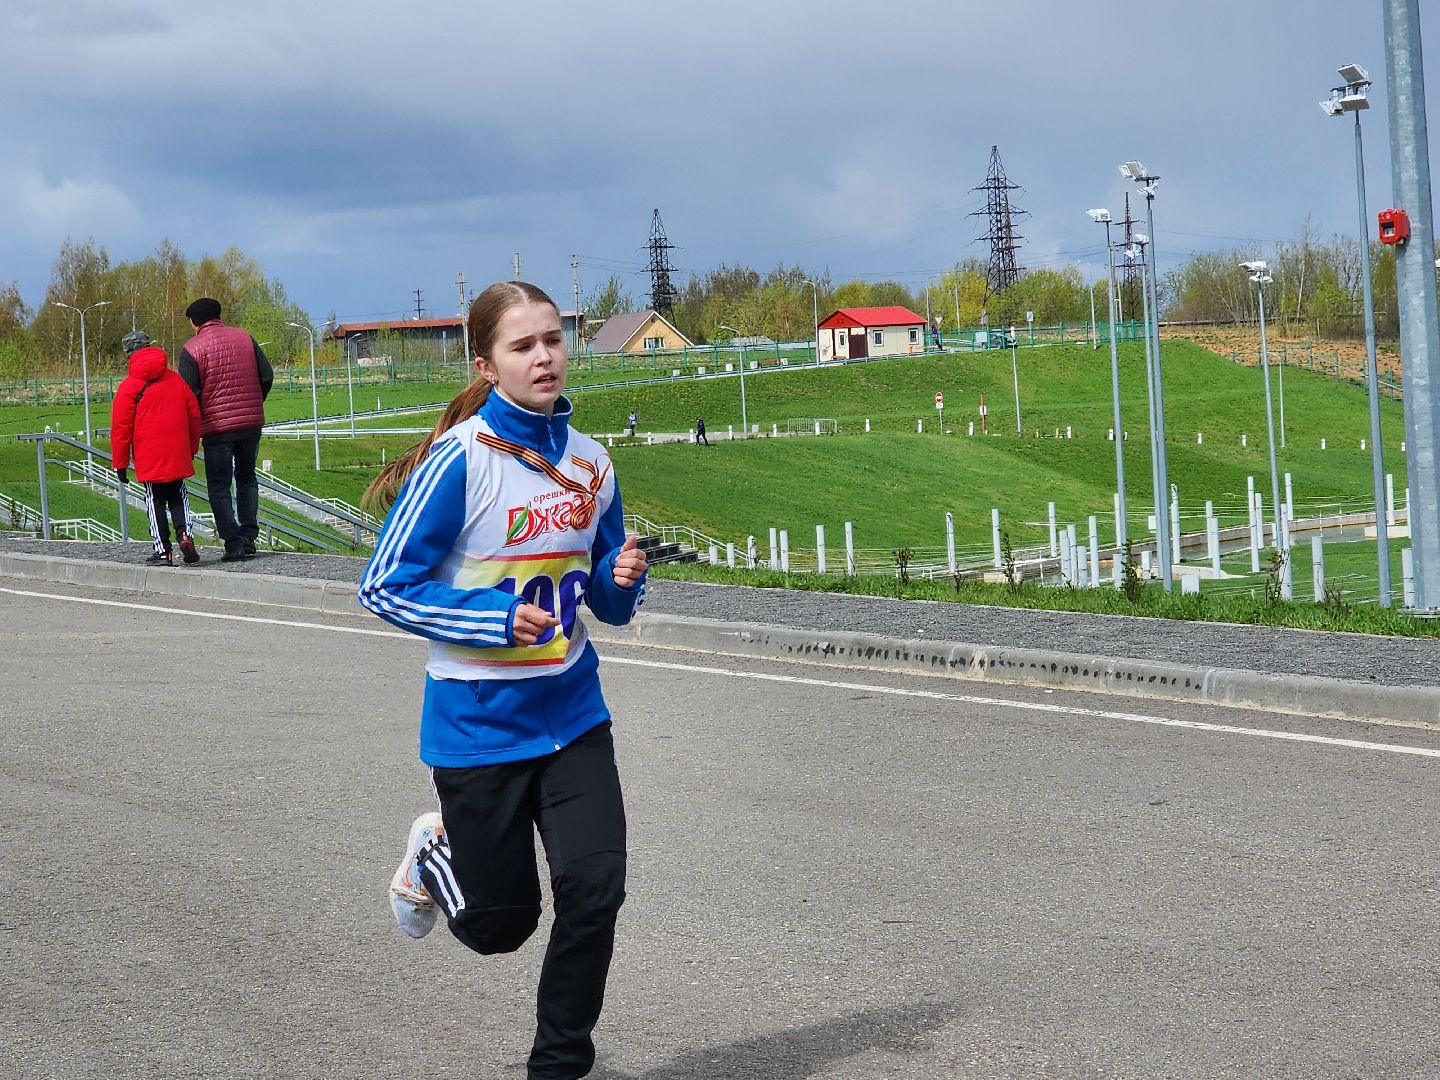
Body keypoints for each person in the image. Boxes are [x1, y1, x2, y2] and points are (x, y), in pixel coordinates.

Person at [358, 281, 648, 1080]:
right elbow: (384, 585)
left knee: (596, 888)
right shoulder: (460, 461)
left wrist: (622, 578)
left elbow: (608, 603)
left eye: (552, 339)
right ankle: (434, 853)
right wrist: (492, 619)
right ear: (486, 365)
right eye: (522, 346)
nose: (544, 356)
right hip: (478, 725)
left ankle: (558, 1067)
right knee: (500, 926)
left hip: (573, 712)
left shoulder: (592, 462)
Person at [177, 297, 273, 562]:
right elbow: (266, 375)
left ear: (195, 322)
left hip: (217, 428)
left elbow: (189, 396)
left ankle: (234, 542)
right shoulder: (246, 338)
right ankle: (249, 536)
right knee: (247, 477)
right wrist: (254, 403)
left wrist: (195, 427)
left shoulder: (192, 349)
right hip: (251, 424)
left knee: (219, 486)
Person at [110, 330, 202, 566]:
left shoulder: (129, 386)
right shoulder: (175, 379)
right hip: (177, 450)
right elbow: (194, 414)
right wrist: (191, 448)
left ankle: (163, 551)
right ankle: (185, 534)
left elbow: (121, 428)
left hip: (149, 455)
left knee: (154, 500)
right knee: (179, 494)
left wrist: (120, 463)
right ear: (150, 346)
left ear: (129, 354)